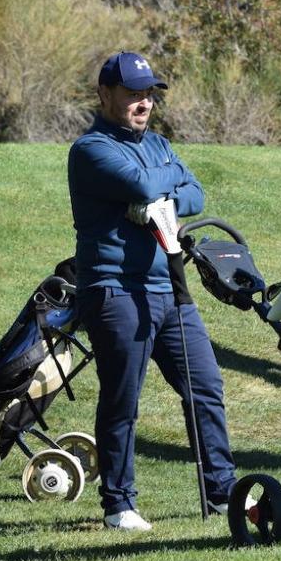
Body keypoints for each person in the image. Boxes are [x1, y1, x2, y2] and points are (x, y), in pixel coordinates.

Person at [68, 52, 237, 530]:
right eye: (132, 93)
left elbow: (196, 191)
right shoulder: (90, 149)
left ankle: (222, 493)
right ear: (105, 95)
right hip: (115, 289)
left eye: (149, 94)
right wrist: (160, 186)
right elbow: (143, 182)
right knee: (123, 397)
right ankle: (119, 505)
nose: (143, 103)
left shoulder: (159, 142)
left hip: (170, 287)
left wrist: (160, 194)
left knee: (205, 388)